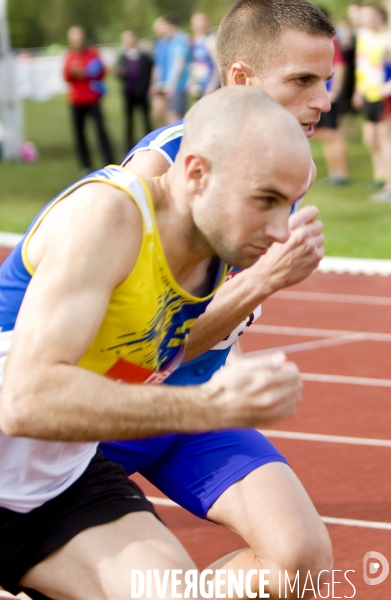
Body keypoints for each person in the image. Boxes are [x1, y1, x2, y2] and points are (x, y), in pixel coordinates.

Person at [1, 87, 314, 600]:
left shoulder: (211, 256)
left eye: (289, 203)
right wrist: (204, 405)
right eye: (265, 201)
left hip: (56, 484)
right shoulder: (109, 216)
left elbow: (128, 363)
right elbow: (25, 400)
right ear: (195, 173)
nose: (281, 231)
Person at [103, 0, 335, 598]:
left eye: (327, 80)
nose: (325, 100)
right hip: (103, 411)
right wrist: (262, 281)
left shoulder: (292, 164)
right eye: (303, 81)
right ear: (241, 80)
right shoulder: (162, 171)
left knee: (301, 560)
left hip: (199, 402)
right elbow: (144, 350)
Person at [352, 2, 391, 202]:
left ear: (379, 16)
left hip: (383, 96)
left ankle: (389, 186)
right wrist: (358, 91)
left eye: (369, 15)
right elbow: (362, 65)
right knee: (370, 139)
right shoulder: (363, 36)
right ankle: (380, 176)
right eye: (363, 15)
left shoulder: (388, 38)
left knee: (385, 140)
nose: (365, 19)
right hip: (367, 94)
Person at [63, 26, 114, 174]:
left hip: (92, 98)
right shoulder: (70, 55)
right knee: (79, 133)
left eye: (79, 34)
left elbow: (101, 71)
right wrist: (76, 73)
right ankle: (86, 165)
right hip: (77, 100)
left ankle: (109, 161)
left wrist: (84, 73)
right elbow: (66, 76)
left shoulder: (92, 53)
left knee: (100, 131)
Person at [315, 9, 350, 186]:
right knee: (326, 135)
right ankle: (333, 173)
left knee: (335, 134)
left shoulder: (332, 39)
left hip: (331, 94)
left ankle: (342, 174)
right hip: (322, 93)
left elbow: (340, 65)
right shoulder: (318, 39)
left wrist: (335, 91)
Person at [115, 30, 153, 150]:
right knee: (129, 120)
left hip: (143, 92)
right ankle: (129, 145)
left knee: (146, 119)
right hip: (129, 93)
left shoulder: (145, 57)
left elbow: (151, 71)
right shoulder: (122, 58)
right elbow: (117, 73)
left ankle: (150, 142)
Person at [164, 14, 192, 123]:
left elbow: (179, 63)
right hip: (178, 85)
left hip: (179, 85)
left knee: (174, 117)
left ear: (172, 26)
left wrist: (171, 84)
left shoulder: (180, 40)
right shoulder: (175, 41)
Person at [188, 12, 220, 99]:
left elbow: (218, 64)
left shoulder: (211, 40)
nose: (199, 23)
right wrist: (191, 82)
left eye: (201, 20)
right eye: (196, 21)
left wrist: (213, 84)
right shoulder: (194, 41)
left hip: (211, 86)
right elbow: (193, 63)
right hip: (199, 86)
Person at [150, 17, 171, 128]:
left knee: (170, 113)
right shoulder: (159, 43)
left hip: (170, 83)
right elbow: (157, 65)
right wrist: (153, 83)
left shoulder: (175, 42)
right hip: (160, 82)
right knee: (156, 113)